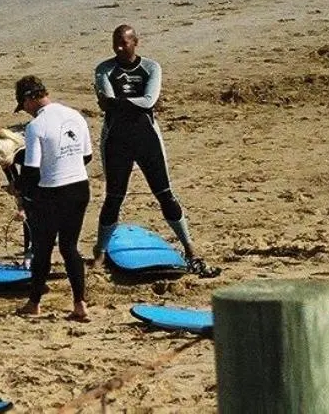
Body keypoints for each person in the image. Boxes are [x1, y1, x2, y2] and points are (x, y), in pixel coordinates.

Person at [93, 23, 220, 278]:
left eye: (124, 43)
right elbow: (108, 105)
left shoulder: (151, 67)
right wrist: (124, 104)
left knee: (165, 194)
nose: (119, 47)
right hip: (115, 140)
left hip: (147, 137)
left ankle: (189, 247)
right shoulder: (104, 69)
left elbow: (149, 100)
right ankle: (100, 253)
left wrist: (118, 103)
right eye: (115, 42)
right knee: (114, 198)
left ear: (135, 42)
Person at [13, 74, 92, 321]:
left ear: (29, 99)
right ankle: (80, 304)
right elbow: (86, 157)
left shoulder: (36, 126)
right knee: (70, 248)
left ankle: (34, 303)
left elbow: (32, 170)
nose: (25, 111)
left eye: (23, 105)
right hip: (79, 187)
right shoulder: (75, 115)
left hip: (51, 193)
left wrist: (18, 188)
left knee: (43, 248)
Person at [0, 128, 31, 259]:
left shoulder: (26, 154)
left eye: (4, 163)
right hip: (28, 179)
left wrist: (25, 204)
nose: (2, 165)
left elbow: (29, 182)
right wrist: (19, 201)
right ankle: (28, 249)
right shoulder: (2, 150)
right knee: (26, 214)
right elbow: (12, 177)